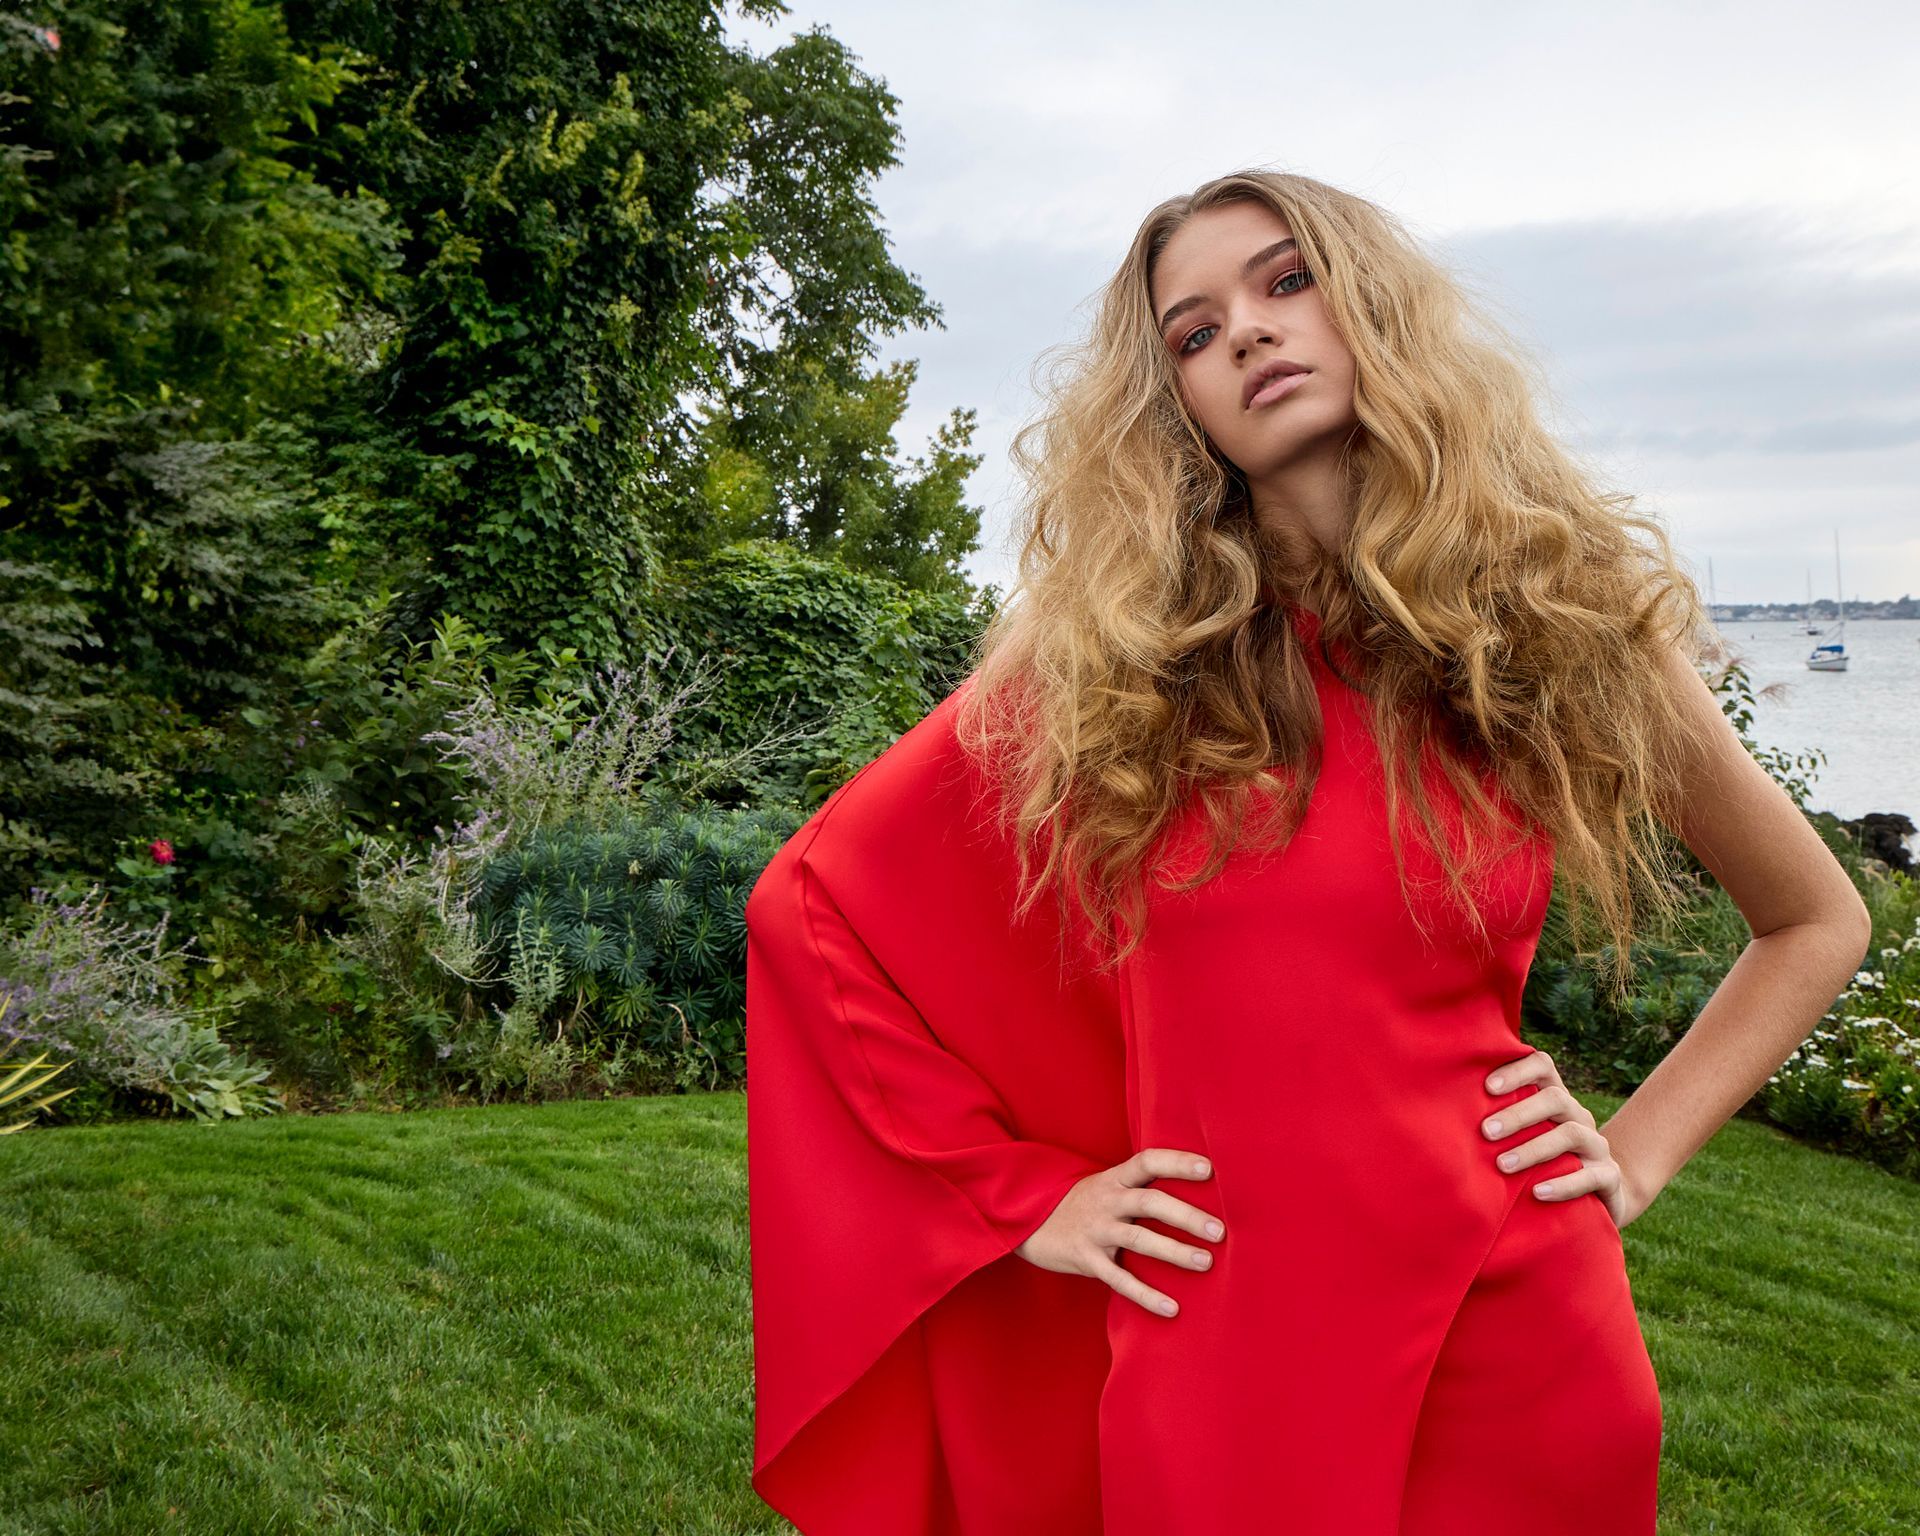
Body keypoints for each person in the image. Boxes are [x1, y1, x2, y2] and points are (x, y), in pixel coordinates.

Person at [743, 169, 1872, 1535]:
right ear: (1180, 406)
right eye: (1196, 333)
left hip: (1523, 1324)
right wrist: (1016, 1196)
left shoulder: (1562, 623)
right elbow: (809, 909)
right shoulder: (1112, 668)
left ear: (1373, 309)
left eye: (1285, 284)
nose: (1248, 336)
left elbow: (1817, 920)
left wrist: (1629, 1160)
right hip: (1227, 1346)